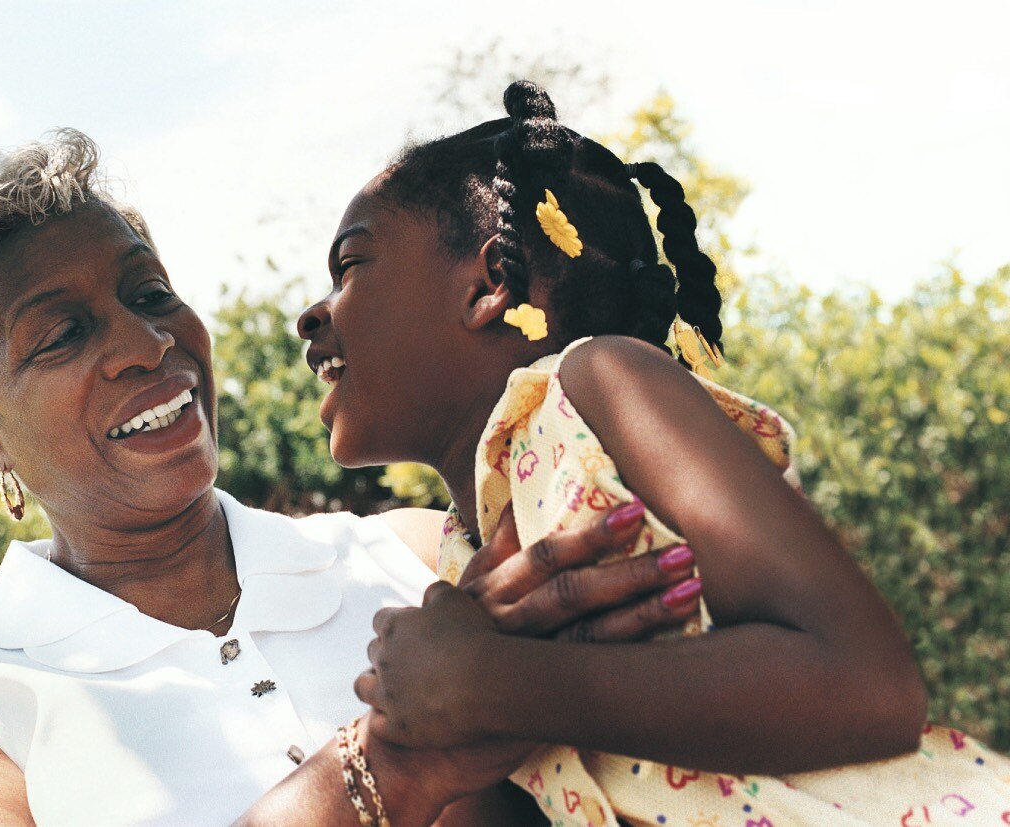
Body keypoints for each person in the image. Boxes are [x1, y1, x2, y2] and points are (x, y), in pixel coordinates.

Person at [0, 128, 705, 825]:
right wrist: (391, 762)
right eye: (63, 333)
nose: (147, 346)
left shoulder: (418, 551)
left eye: (149, 294)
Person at [293, 80, 1010, 825]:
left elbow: (869, 685)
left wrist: (495, 681)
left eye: (350, 267)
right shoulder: (461, 560)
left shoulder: (602, 380)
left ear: (489, 284)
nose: (313, 313)